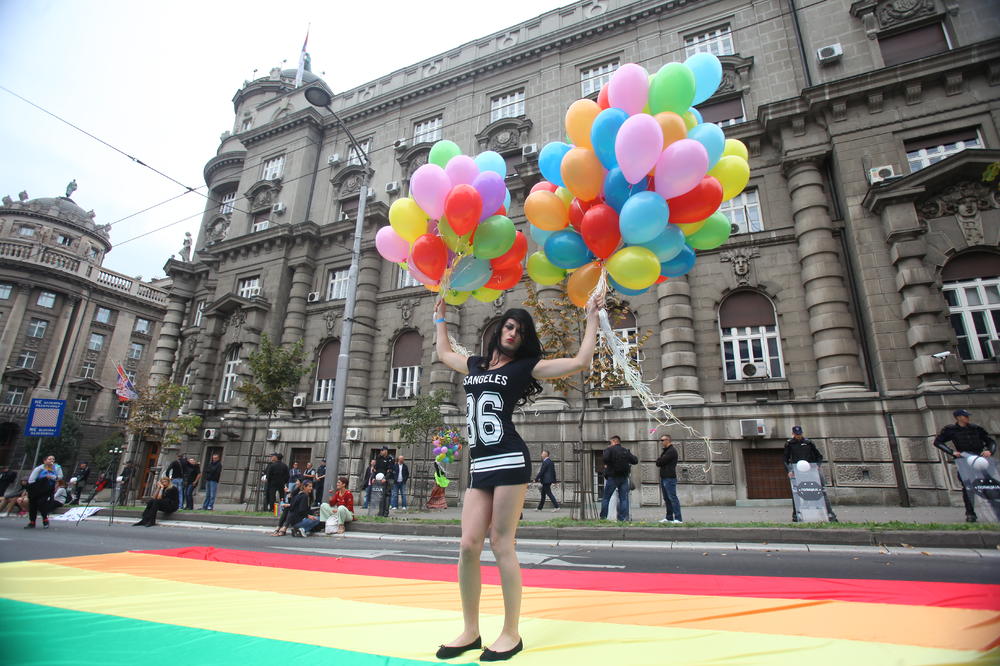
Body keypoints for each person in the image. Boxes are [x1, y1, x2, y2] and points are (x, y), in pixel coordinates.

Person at [432, 295, 600, 662]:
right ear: (498, 330)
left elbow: (579, 361)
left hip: (509, 458)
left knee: (500, 542)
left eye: (520, 331)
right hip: (480, 463)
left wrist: (592, 317)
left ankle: (511, 633)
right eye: (509, 326)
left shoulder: (526, 366)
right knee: (467, 545)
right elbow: (444, 354)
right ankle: (471, 630)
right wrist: (439, 317)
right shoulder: (475, 364)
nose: (513, 333)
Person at [933, 409, 997, 522]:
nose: (967, 418)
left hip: (980, 459)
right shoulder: (951, 430)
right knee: (968, 488)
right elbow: (938, 442)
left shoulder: (976, 429)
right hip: (965, 460)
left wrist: (989, 451)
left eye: (967, 416)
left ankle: (994, 509)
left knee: (990, 484)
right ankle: (970, 513)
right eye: (965, 416)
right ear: (958, 417)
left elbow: (990, 442)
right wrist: (952, 452)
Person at [784, 426, 837, 522]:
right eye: (796, 434)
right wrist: (789, 470)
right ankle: (797, 514)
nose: (798, 436)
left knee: (821, 491)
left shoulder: (809, 443)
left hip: (811, 471)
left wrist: (817, 465)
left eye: (800, 434)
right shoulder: (789, 444)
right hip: (797, 471)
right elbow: (786, 459)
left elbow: (819, 456)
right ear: (793, 434)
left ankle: (830, 514)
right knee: (796, 493)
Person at [600, 436, 638, 522]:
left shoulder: (609, 450)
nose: (609, 444)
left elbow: (605, 459)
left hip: (612, 477)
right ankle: (622, 518)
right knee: (623, 499)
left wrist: (609, 463)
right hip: (624, 477)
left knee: (606, 498)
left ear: (614, 441)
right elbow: (635, 460)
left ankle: (603, 518)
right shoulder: (625, 450)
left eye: (610, 443)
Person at [26, 454, 63, 528]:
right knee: (33, 505)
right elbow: (31, 480)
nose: (51, 461)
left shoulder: (57, 468)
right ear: (45, 461)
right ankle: (32, 522)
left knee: (41, 503)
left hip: (47, 489)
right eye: (49, 459)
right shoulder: (40, 468)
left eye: (53, 459)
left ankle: (45, 519)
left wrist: (52, 477)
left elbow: (60, 477)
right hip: (36, 489)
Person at [655, 434, 682, 523]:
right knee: (667, 498)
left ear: (668, 440)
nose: (661, 442)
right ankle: (669, 517)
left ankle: (678, 518)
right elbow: (659, 462)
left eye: (663, 440)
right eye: (661, 440)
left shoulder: (671, 451)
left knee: (672, 498)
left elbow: (660, 462)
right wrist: (660, 459)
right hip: (664, 477)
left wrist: (660, 459)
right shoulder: (666, 451)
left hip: (669, 478)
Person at [374, 446, 394, 516]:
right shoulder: (379, 458)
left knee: (387, 495)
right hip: (379, 479)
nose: (381, 452)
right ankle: (380, 512)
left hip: (387, 479)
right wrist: (374, 477)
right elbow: (375, 469)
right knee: (380, 495)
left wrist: (385, 478)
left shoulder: (390, 458)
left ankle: (385, 512)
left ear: (385, 451)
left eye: (382, 450)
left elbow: (390, 470)